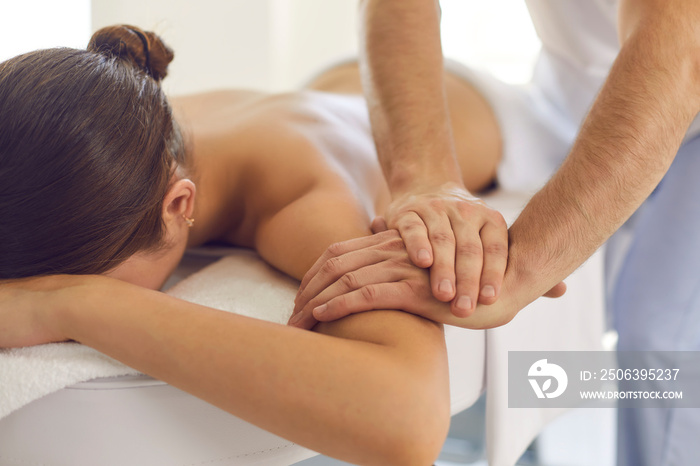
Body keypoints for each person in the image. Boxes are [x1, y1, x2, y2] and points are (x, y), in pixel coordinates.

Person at [0, 23, 552, 465]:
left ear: (178, 206)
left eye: (81, 274)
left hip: (517, 116)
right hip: (344, 83)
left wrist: (69, 302)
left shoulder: (305, 199)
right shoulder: (118, 121)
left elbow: (407, 421)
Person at [293, 1, 700, 465]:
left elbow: (682, 50)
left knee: (661, 345)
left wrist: (522, 270)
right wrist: (424, 179)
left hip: (684, 88)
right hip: (569, 96)